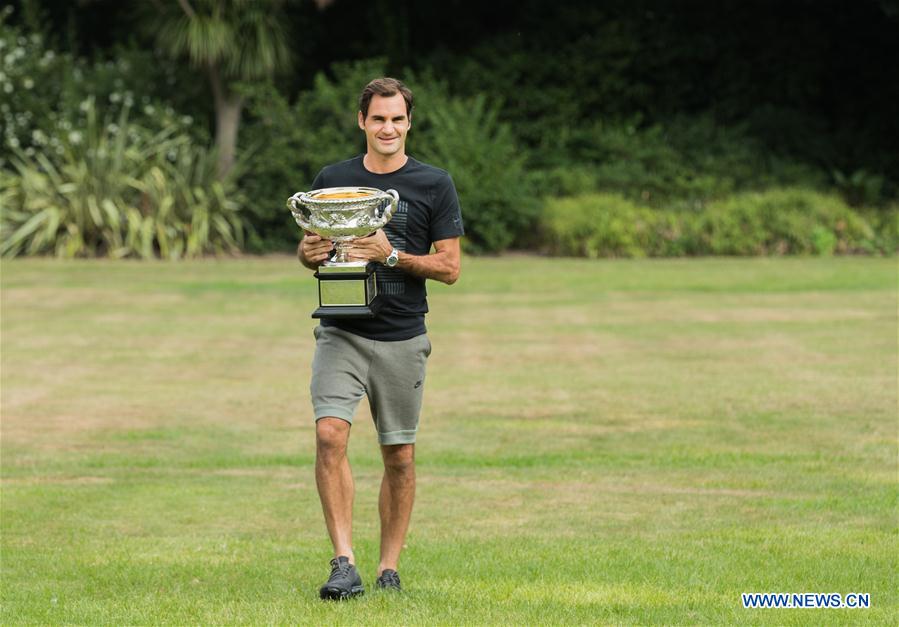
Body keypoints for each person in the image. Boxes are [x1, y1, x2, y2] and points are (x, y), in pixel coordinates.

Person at [296, 77, 464, 600]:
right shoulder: (334, 180)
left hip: (402, 336)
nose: (387, 128)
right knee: (329, 434)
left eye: (396, 119)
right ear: (362, 122)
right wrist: (308, 254)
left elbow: (450, 267)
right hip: (341, 331)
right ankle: (343, 562)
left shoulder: (434, 184)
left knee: (400, 456)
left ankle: (388, 566)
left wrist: (389, 255)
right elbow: (312, 251)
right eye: (378, 119)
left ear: (408, 123)